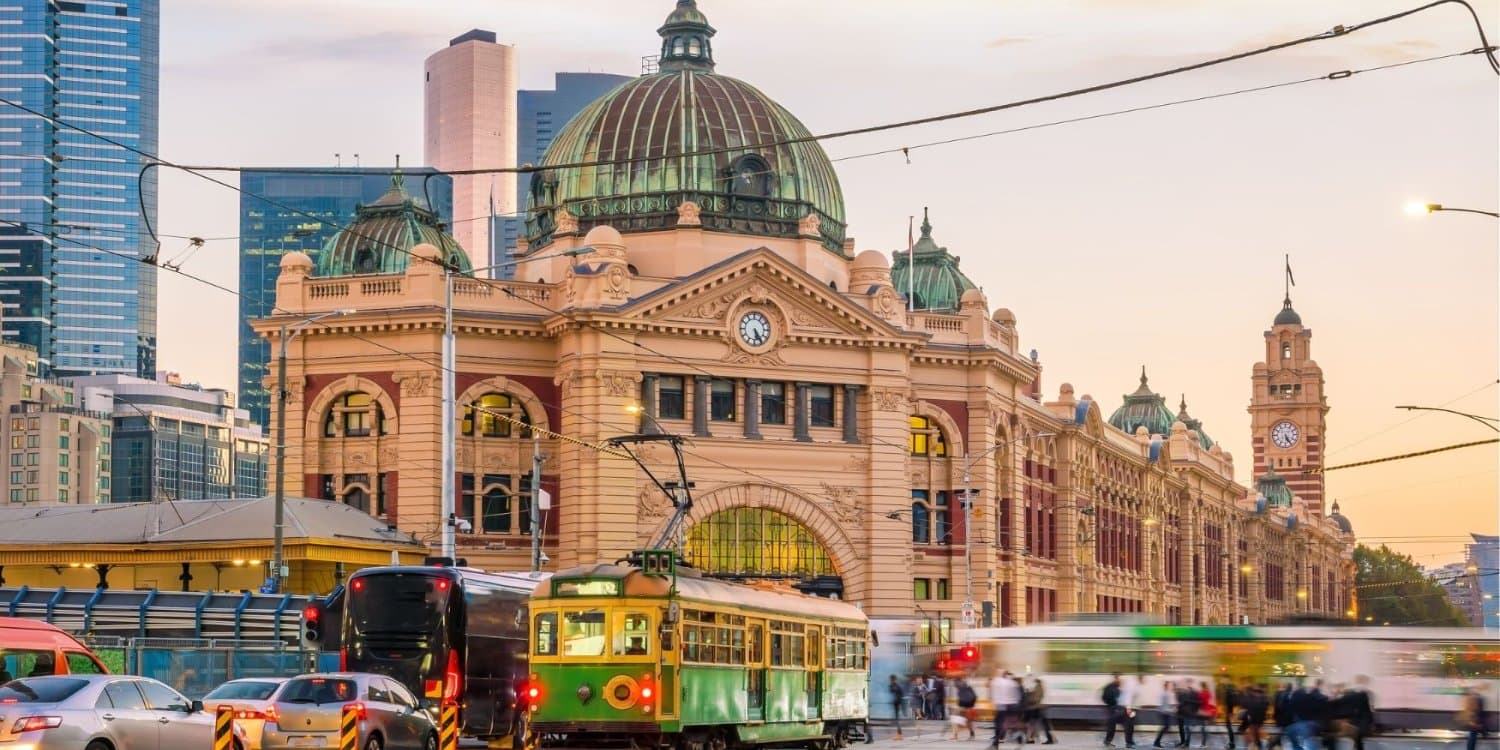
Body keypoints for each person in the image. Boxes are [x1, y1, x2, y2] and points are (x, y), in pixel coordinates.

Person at [1103, 673, 1138, 748]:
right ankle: (1109, 741)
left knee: (1128, 725)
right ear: (1115, 678)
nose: (1120, 680)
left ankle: (1129, 742)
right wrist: (1111, 705)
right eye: (1118, 678)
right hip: (1114, 709)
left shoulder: (1120, 687)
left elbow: (1124, 698)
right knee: (1114, 726)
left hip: (1121, 709)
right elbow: (1104, 697)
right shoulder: (1109, 687)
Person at [992, 670, 1022, 749]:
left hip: (1002, 706)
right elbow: (1017, 696)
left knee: (998, 723)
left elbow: (995, 694)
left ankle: (996, 742)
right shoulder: (1013, 683)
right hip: (1012, 706)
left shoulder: (998, 682)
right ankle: (1019, 738)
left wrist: (996, 703)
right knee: (1012, 723)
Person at [1024, 675, 1056, 744]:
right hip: (1038, 707)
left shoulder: (1038, 686)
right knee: (1036, 723)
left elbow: (1036, 698)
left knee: (1040, 724)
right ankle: (1032, 738)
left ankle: (1050, 739)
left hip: (1038, 707)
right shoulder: (1039, 686)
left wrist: (1029, 698)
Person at [1240, 682, 1270, 750]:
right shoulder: (1263, 697)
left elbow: (1245, 705)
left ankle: (1258, 745)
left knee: (1254, 734)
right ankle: (1259, 745)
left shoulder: (1251, 697)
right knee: (1256, 734)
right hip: (1258, 719)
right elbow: (1265, 707)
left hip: (1253, 719)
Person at [1177, 680, 1204, 748]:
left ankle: (1186, 743)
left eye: (1187, 683)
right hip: (1182, 713)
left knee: (1187, 728)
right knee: (1183, 728)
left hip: (1189, 713)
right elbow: (1180, 702)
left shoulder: (1194, 692)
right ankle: (1183, 742)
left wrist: (1194, 710)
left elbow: (1198, 702)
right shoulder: (1181, 692)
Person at [1459, 685, 1486, 750]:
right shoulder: (1471, 699)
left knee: (1473, 734)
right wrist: (1473, 722)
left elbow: (1474, 710)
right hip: (1473, 720)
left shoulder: (1471, 698)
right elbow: (1473, 711)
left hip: (1473, 720)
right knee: (1472, 735)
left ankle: (1483, 732)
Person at [1154, 680, 1179, 748]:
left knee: (1167, 727)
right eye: (1168, 685)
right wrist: (1171, 710)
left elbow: (1167, 704)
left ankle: (1157, 741)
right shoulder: (1163, 693)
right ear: (1166, 685)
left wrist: (1171, 709)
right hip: (1163, 713)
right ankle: (1156, 742)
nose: (1169, 686)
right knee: (1166, 727)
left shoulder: (1166, 693)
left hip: (1165, 712)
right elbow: (1161, 705)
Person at [1219, 677, 1239, 750]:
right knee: (1229, 727)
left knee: (1229, 727)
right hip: (1231, 711)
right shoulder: (1232, 688)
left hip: (1229, 711)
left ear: (1226, 680)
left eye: (1223, 679)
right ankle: (1231, 743)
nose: (1222, 681)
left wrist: (1228, 712)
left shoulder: (1228, 689)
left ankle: (1232, 743)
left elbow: (1228, 702)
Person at [889, 674, 907, 739]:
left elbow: (894, 693)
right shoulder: (896, 686)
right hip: (897, 703)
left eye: (890, 679)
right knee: (896, 719)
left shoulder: (895, 686)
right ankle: (899, 734)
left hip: (897, 704)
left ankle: (899, 734)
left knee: (897, 720)